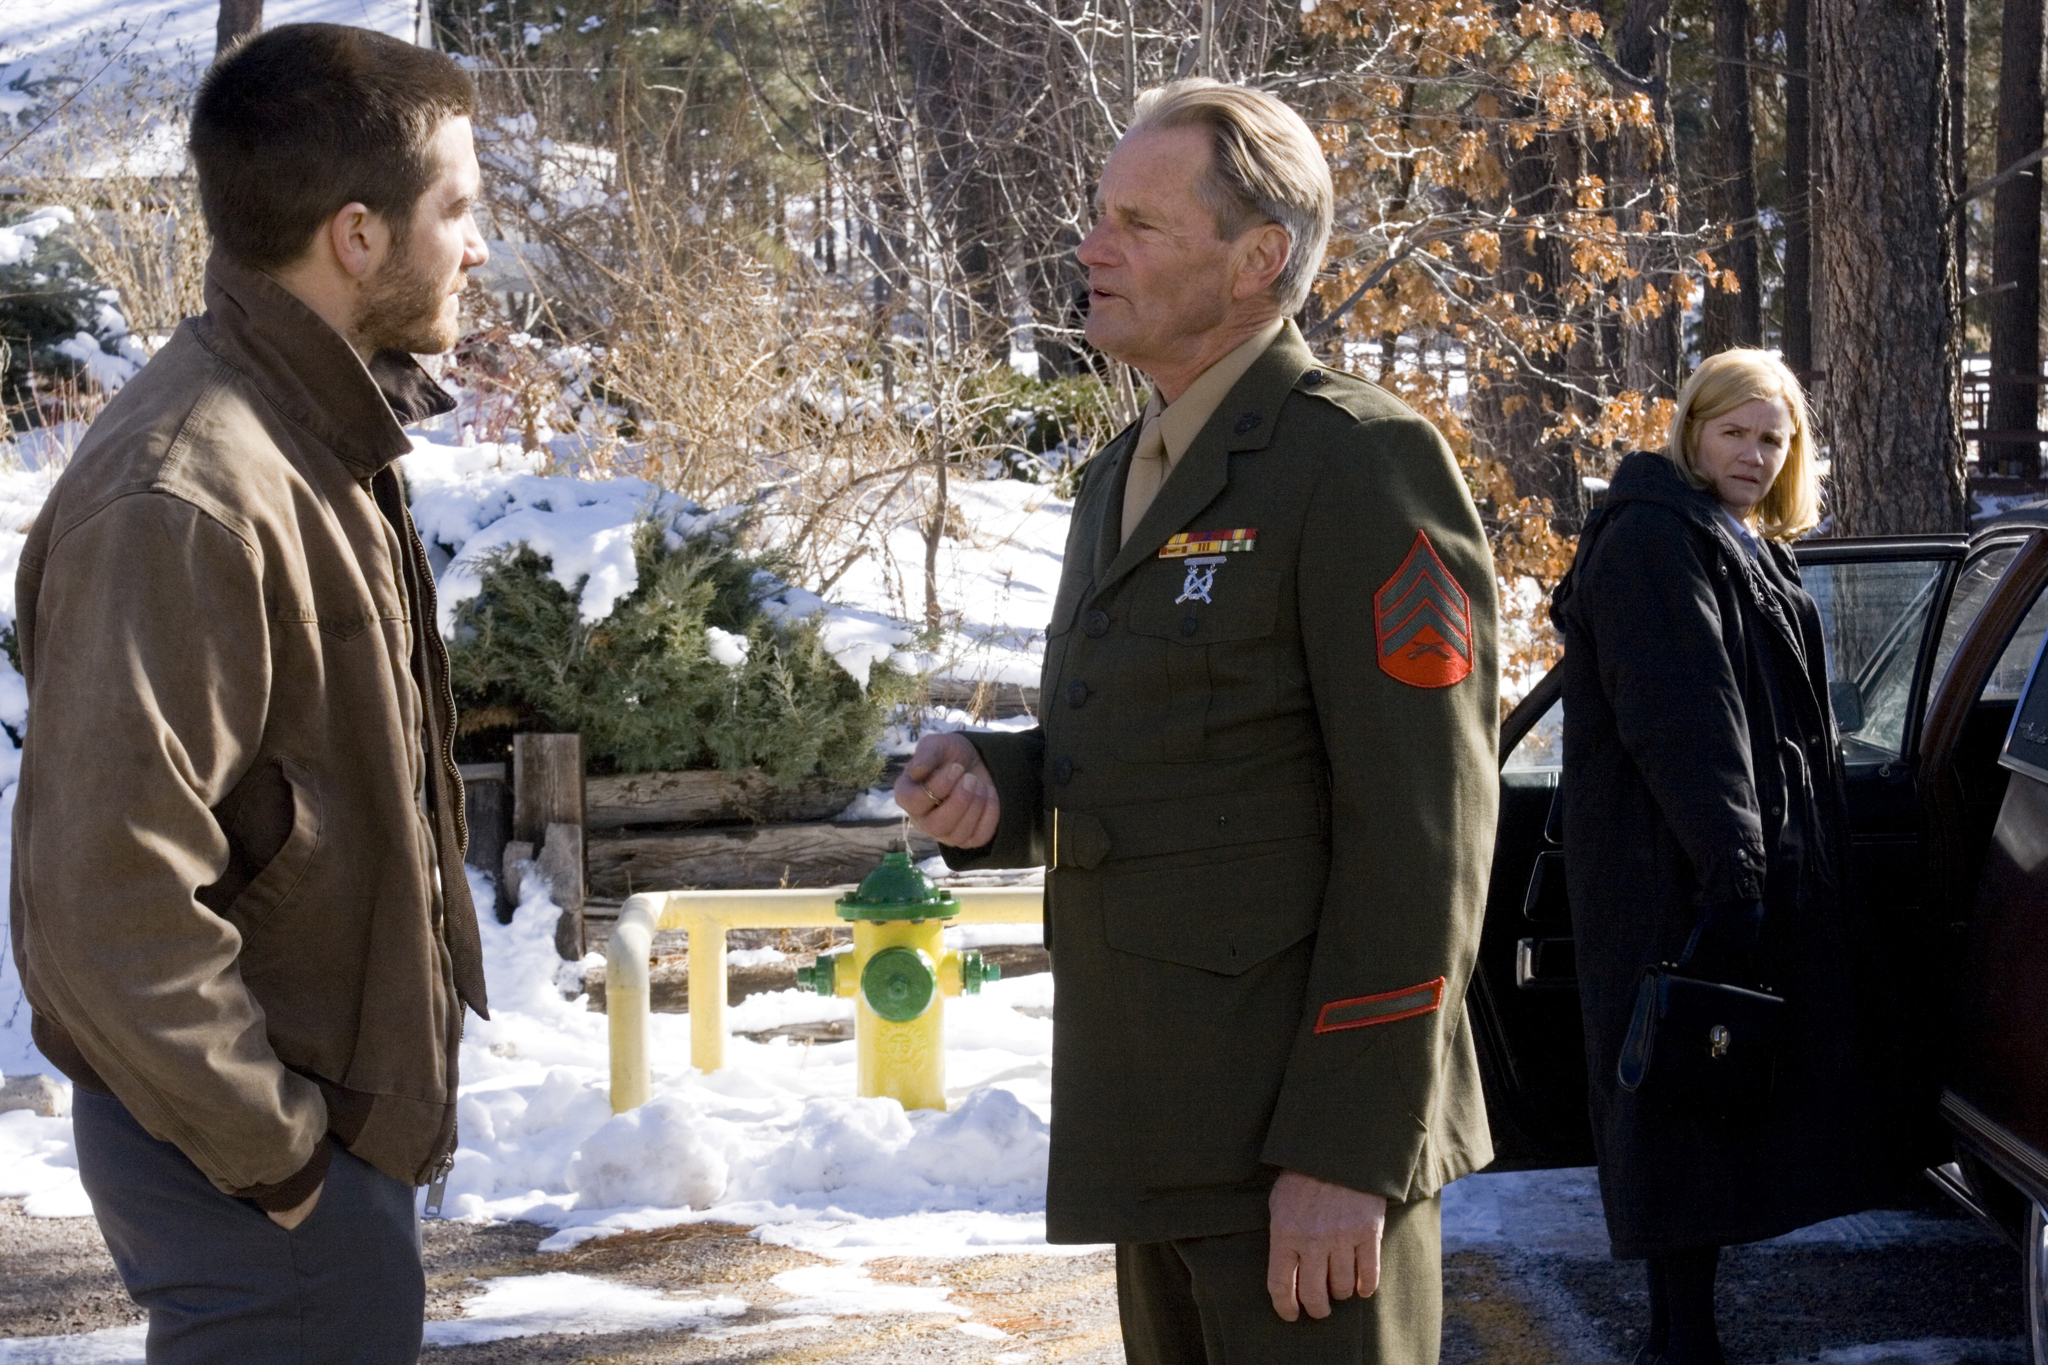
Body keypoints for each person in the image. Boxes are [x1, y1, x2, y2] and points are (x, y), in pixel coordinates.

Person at [896, 79, 1500, 1364]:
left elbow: (1425, 833)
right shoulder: (1123, 475)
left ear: (1256, 260)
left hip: (1298, 1152)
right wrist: (1004, 786)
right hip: (1157, 1129)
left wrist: (1348, 1151)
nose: (1090, 247)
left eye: (1138, 223)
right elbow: (1180, 751)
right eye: (1096, 217)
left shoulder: (1355, 463)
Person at [10, 24, 491, 1362]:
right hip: (247, 1162)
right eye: (456, 206)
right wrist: (281, 1162)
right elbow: (107, 899)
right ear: (356, 234)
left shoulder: (307, 432)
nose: (478, 239)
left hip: (300, 1134)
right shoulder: (186, 493)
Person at [1551, 349, 1905, 1365]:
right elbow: (1685, 722)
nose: (1752, 454)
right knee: (1679, 1095)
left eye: (1772, 437)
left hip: (1709, 857)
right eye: (1732, 432)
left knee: (1701, 1096)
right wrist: (1731, 875)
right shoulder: (1657, 539)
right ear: (1690, 433)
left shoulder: (1720, 535)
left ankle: (1684, 1334)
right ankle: (1680, 1340)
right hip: (1674, 866)